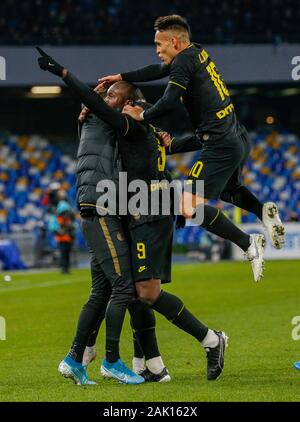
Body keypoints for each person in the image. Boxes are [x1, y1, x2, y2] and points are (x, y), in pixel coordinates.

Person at [37, 47, 229, 382]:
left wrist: (69, 77)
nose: (115, 101)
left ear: (138, 107)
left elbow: (156, 137)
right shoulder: (107, 123)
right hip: (114, 209)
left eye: (122, 98)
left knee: (134, 289)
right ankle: (130, 360)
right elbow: (97, 109)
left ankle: (134, 357)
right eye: (112, 96)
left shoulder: (131, 126)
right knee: (127, 289)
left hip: (142, 214)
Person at [99, 14, 286, 283]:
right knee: (228, 190)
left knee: (188, 207)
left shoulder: (183, 63)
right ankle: (263, 211)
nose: (157, 50)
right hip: (235, 134)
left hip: (219, 143)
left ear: (174, 41)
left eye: (159, 44)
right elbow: (157, 70)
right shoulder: (196, 52)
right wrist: (121, 76)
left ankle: (248, 243)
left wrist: (143, 115)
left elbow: (170, 99)